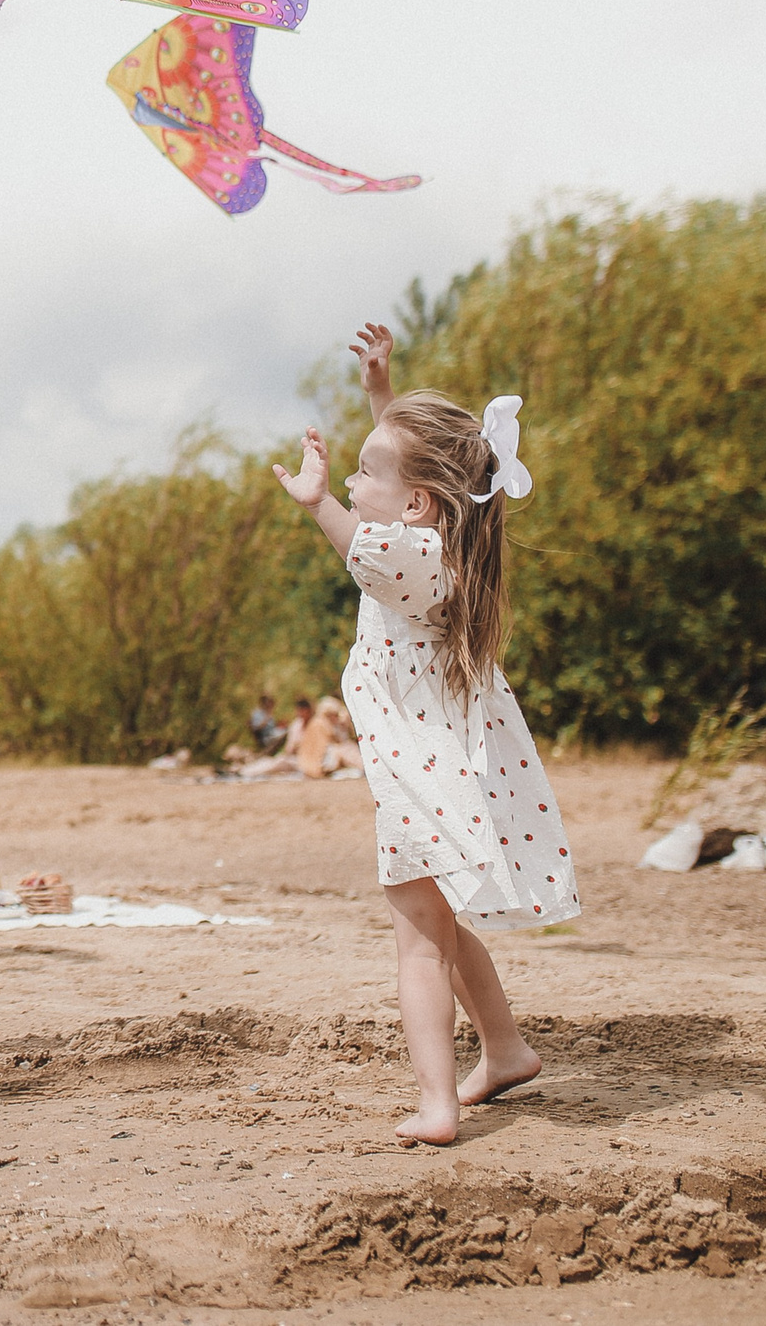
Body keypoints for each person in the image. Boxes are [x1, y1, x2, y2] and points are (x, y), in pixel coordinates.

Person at [271, 322, 572, 1145]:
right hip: (433, 763)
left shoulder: (412, 561)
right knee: (440, 924)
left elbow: (363, 541)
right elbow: (404, 476)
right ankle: (504, 1049)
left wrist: (316, 500)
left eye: (367, 471)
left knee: (417, 945)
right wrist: (382, 388)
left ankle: (438, 1104)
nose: (354, 476)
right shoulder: (436, 540)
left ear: (416, 505)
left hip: (418, 771)